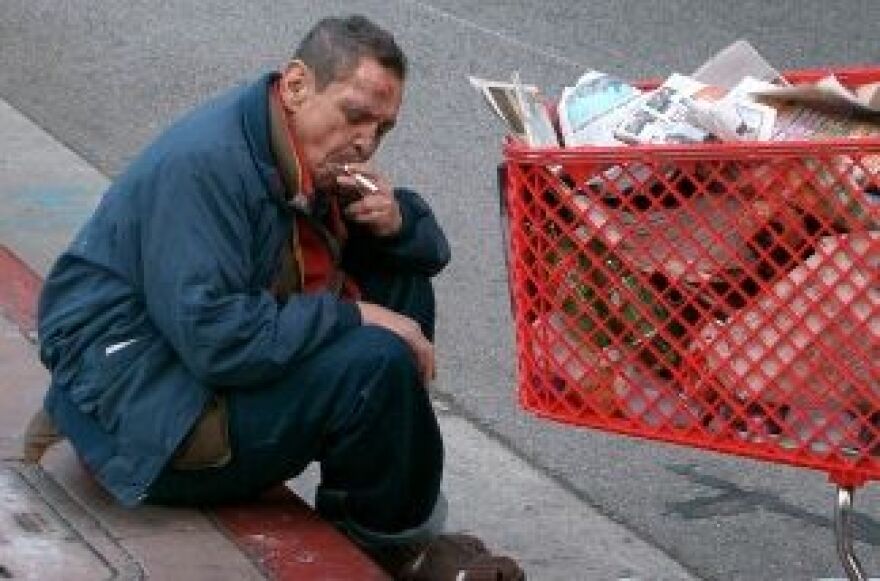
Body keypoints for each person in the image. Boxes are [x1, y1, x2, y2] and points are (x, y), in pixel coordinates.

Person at [27, 14, 524, 581]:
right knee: (374, 361)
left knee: (400, 280)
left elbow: (429, 253)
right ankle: (392, 553)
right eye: (355, 116)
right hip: (142, 420)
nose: (365, 141)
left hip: (183, 366)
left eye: (382, 129)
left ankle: (361, 520)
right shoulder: (208, 166)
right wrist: (356, 315)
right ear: (295, 86)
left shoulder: (292, 144)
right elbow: (216, 340)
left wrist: (397, 222)